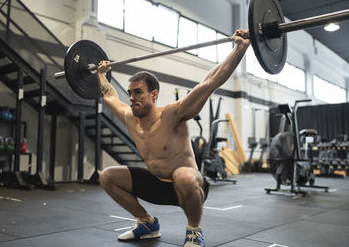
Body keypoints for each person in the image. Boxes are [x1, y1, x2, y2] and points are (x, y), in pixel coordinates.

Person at [97, 29, 250, 247]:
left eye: (138, 92)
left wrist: (240, 48)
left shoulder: (173, 114)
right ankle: (147, 223)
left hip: (188, 186)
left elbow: (210, 82)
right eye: (130, 93)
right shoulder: (129, 117)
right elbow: (110, 95)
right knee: (107, 176)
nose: (132, 98)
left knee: (183, 176)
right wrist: (100, 74)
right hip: (157, 185)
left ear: (154, 94)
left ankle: (194, 231)